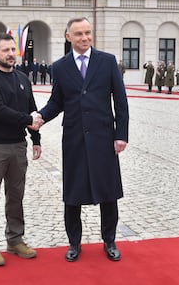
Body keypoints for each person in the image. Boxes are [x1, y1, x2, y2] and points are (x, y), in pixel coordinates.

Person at [37, 17, 129, 262]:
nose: (84, 37)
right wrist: (40, 117)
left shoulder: (107, 62)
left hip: (103, 137)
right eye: (78, 34)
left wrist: (121, 135)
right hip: (75, 138)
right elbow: (57, 102)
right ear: (69, 37)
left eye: (88, 32)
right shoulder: (60, 67)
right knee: (73, 193)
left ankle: (109, 240)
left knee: (108, 193)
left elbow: (120, 101)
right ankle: (74, 243)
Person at [0, 32, 42, 267]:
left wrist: (36, 138)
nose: (11, 54)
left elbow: (32, 108)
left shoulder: (23, 78)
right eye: (6, 50)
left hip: (17, 146)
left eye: (13, 50)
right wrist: (28, 119)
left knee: (16, 196)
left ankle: (15, 239)